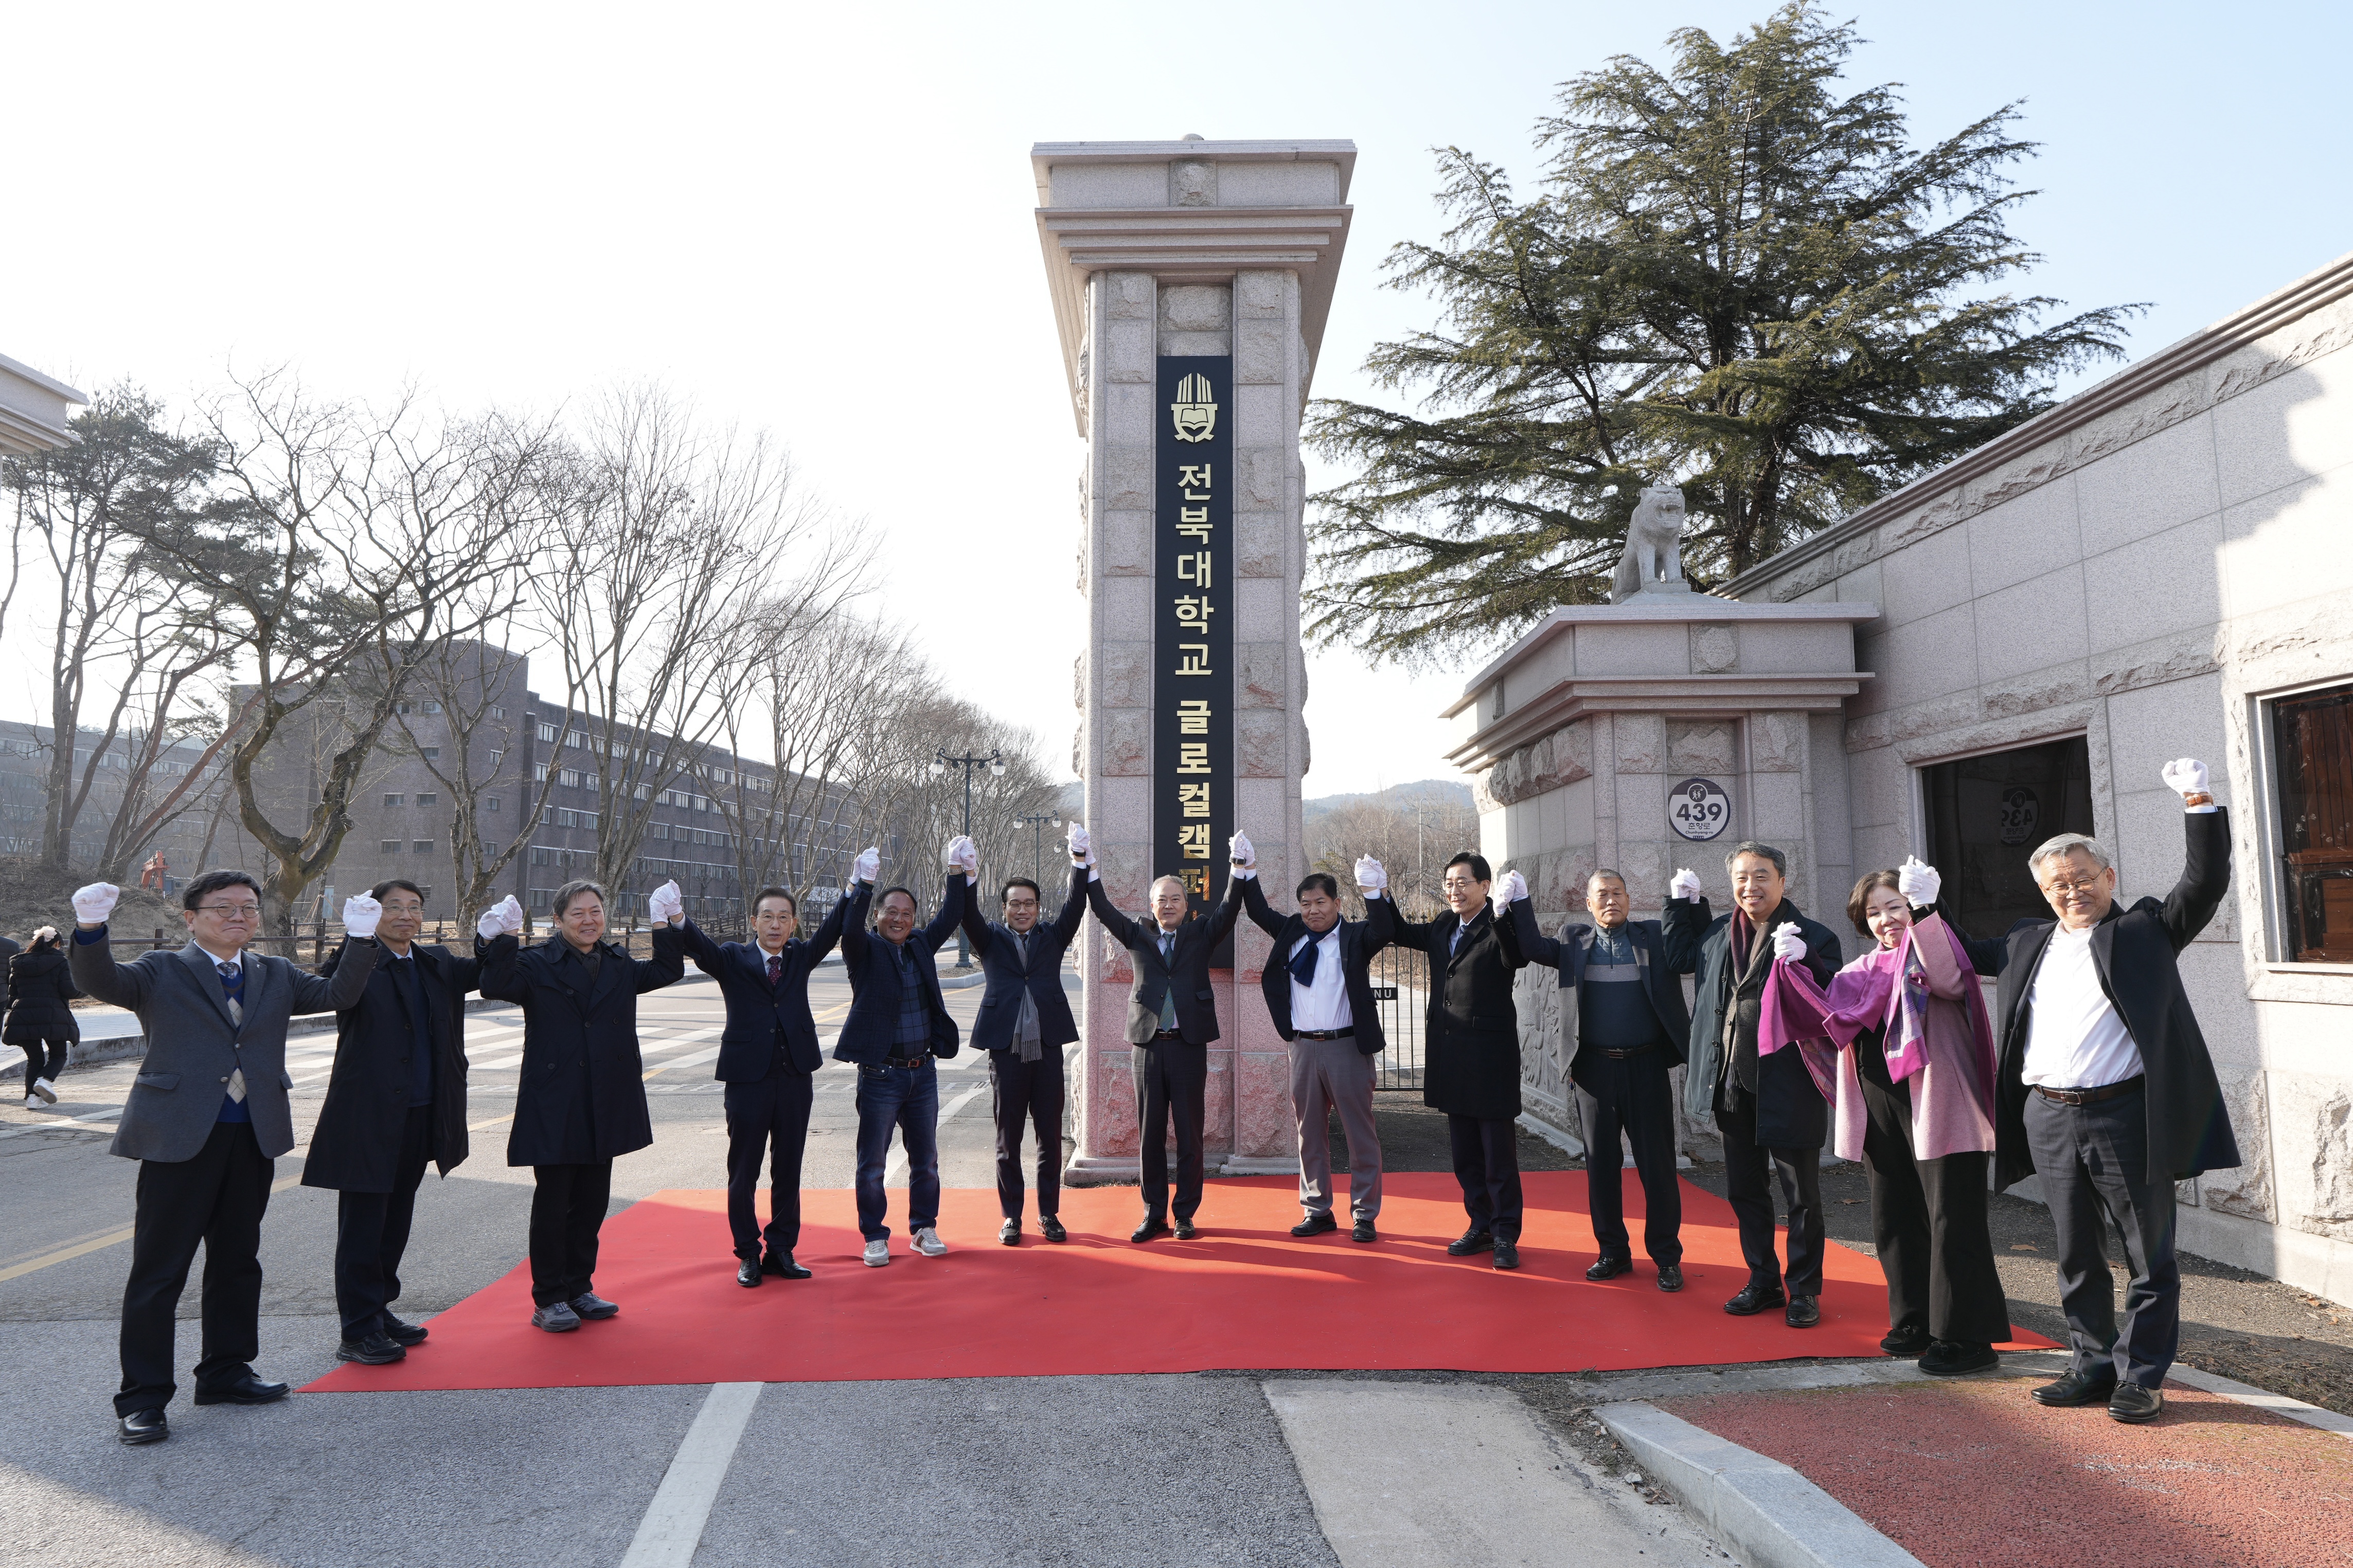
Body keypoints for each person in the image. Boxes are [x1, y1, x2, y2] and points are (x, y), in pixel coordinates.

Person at [68, 872, 383, 1446]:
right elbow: (102, 980)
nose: (239, 916)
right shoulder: (161, 970)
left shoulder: (274, 972)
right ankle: (142, 1398)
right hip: (178, 1136)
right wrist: (91, 929)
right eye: (223, 907)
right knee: (160, 1271)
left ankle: (226, 1370)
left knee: (239, 1259)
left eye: (248, 907)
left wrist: (361, 939)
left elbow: (338, 995)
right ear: (191, 917)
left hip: (252, 1134)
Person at [1995, 759, 2238, 1424]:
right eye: (2055, 885)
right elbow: (1957, 953)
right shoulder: (2026, 943)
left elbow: (2205, 880)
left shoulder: (2143, 931)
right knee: (2075, 1253)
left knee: (2146, 1256)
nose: (2069, 891)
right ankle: (2090, 1365)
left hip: (2123, 1115)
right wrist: (1916, 911)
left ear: (2107, 877)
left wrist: (2197, 800)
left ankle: (2141, 1376)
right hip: (2047, 1114)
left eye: (2080, 878)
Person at [1761, 858, 2010, 1374]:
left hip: (1938, 1104)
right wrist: (1797, 967)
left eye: (1893, 906)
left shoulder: (1931, 951)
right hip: (1880, 1108)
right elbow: (1823, 1014)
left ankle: (1964, 1337)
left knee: (1951, 1218)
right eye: (1873, 912)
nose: (1884, 919)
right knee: (1893, 1217)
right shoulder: (1857, 971)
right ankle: (1913, 1319)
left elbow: (1949, 980)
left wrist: (1925, 912)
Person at [478, 877, 686, 1333]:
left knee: (592, 1202)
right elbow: (494, 983)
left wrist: (664, 921)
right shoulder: (535, 963)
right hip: (556, 1098)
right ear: (557, 920)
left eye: (596, 911)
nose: (589, 920)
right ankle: (548, 1297)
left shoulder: (618, 962)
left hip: (607, 1095)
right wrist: (503, 938)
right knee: (554, 1203)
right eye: (578, 913)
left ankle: (579, 1287)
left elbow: (670, 970)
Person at [301, 880, 482, 1366]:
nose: (405, 915)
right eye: (393, 907)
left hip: (422, 1111)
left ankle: (379, 1310)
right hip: (368, 1114)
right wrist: (358, 939)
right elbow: (334, 990)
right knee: (363, 1224)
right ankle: (357, 1329)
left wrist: (493, 937)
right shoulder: (357, 959)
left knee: (396, 1217)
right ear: (372, 914)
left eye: (414, 907)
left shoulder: (433, 962)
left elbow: (490, 972)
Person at [1663, 842, 1842, 1327]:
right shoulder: (1719, 931)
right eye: (1741, 877)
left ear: (1783, 881)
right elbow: (1677, 955)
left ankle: (1804, 1289)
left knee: (1801, 1194)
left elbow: (1832, 1006)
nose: (1750, 886)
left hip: (1790, 1083)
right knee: (1745, 1188)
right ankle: (1762, 1279)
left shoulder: (1816, 936)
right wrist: (1682, 905)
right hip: (1732, 1082)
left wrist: (1809, 962)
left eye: (1761, 876)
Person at [1499, 866, 1691, 1291]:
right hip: (1593, 1072)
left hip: (1647, 1068)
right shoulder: (1574, 942)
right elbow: (1529, 945)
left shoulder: (1654, 938)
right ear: (1588, 904)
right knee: (1601, 1167)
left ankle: (1666, 1256)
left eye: (1618, 892)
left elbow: (1691, 947)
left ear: (1629, 898)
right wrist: (1519, 901)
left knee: (1657, 1167)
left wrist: (1685, 902)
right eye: (1602, 894)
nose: (1611, 900)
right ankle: (1613, 1252)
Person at [1074, 821, 1246, 1242]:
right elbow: (1101, 908)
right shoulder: (1137, 935)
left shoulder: (1201, 934)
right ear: (1151, 906)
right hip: (1148, 1048)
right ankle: (1154, 1214)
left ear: (1186, 905)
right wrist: (1086, 865)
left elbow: (1229, 907)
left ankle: (1185, 1214)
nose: (1168, 905)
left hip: (1188, 1047)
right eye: (1161, 900)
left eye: (1175, 899)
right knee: (1149, 1135)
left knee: (1190, 1133)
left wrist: (1239, 867)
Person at [678, 882, 850, 1285]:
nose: (776, 925)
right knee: (744, 1170)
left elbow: (833, 928)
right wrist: (677, 919)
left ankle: (782, 1249)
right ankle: (748, 1253)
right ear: (753, 921)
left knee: (788, 1168)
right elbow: (700, 947)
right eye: (768, 917)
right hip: (746, 1080)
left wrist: (857, 888)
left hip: (794, 1077)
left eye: (784, 917)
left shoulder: (800, 955)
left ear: (793, 923)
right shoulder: (732, 958)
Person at [1366, 851, 1529, 1270]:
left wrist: (1512, 912)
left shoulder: (1499, 926)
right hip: (1451, 1055)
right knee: (1465, 1152)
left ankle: (1506, 1234)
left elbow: (1520, 954)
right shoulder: (1442, 925)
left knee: (1498, 1154)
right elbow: (1400, 932)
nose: (1454, 890)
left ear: (1485, 886)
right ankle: (1480, 1224)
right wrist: (1379, 893)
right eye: (1449, 883)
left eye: (1463, 882)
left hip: (1490, 1058)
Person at [1233, 834, 1391, 1243]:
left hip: (1346, 1047)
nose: (1312, 910)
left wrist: (1374, 890)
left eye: (1320, 902)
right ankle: (1317, 1208)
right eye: (1305, 904)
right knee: (1309, 1132)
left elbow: (1386, 928)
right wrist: (1247, 870)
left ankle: (1365, 1213)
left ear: (1337, 904)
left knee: (1360, 1132)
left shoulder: (1356, 937)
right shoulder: (1291, 931)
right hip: (1302, 1047)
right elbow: (1256, 910)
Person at [834, 842, 971, 1267]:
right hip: (880, 1075)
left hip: (922, 1074)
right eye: (890, 911)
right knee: (872, 1161)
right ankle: (875, 1235)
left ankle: (923, 1227)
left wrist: (955, 870)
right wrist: (863, 884)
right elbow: (849, 929)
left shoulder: (919, 947)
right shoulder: (864, 951)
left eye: (906, 913)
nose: (898, 919)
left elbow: (951, 915)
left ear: (914, 920)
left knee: (926, 1158)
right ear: (878, 916)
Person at [959, 849, 1091, 1245]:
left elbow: (1075, 904)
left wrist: (1079, 863)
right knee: (1008, 1138)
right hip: (1006, 1051)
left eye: (1028, 903)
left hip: (1048, 1048)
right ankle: (1011, 1216)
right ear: (1004, 908)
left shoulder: (1053, 936)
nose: (1022, 909)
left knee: (1050, 1136)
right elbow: (967, 913)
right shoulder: (991, 940)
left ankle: (1048, 1213)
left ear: (1037, 907)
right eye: (1015, 903)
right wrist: (966, 875)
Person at [7, 926, 78, 1108]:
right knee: (59, 1055)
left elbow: (13, 992)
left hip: (23, 1014)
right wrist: (85, 991)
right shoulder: (60, 962)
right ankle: (45, 1081)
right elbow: (69, 990)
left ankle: (32, 1099)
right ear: (56, 944)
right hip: (52, 1015)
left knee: (35, 1059)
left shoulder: (19, 963)